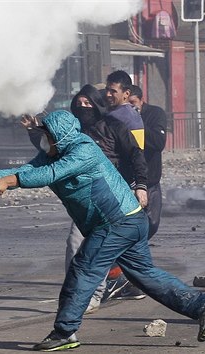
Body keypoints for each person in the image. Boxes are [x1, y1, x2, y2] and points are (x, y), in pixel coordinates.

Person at [0, 110, 205, 352]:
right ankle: (204, 307)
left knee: (84, 269)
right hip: (126, 221)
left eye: (46, 135)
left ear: (59, 137)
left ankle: (64, 332)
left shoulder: (82, 149)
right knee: (146, 276)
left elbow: (50, 174)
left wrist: (7, 182)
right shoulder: (54, 152)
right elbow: (29, 169)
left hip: (116, 223)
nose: (43, 140)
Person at [68, 85, 149, 311]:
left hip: (114, 197)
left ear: (97, 104)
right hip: (86, 198)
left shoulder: (114, 126)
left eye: (88, 103)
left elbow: (136, 155)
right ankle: (79, 294)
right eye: (79, 103)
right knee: (75, 243)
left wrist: (141, 186)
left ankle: (99, 292)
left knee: (106, 248)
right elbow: (51, 151)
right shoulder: (73, 131)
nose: (83, 107)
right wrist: (35, 131)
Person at [129, 85, 167, 239]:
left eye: (133, 103)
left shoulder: (155, 114)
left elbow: (159, 142)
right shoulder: (117, 116)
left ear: (141, 101)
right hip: (129, 179)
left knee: (152, 223)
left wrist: (136, 122)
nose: (130, 108)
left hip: (151, 178)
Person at [104, 70, 145, 150]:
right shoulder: (134, 113)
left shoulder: (116, 116)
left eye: (113, 91)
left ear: (126, 93)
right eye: (107, 90)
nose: (108, 94)